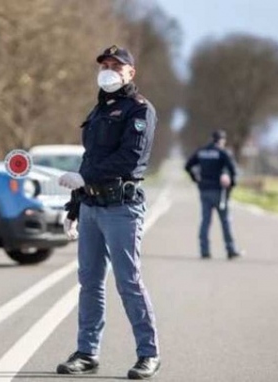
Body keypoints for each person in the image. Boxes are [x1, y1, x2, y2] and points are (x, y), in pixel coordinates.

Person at [57, 45, 161, 380]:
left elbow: (129, 160)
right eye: (104, 64)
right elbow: (89, 159)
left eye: (117, 65)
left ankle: (149, 354)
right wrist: (73, 207)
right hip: (91, 207)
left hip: (121, 208)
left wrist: (84, 178)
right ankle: (87, 352)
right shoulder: (99, 110)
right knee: (89, 282)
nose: (109, 69)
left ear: (131, 73)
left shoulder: (140, 111)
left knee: (128, 281)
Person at [184, 130, 242, 259]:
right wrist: (230, 188)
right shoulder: (222, 153)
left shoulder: (201, 151)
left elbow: (188, 166)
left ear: (211, 138)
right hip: (219, 191)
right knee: (225, 221)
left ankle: (204, 250)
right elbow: (233, 171)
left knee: (205, 221)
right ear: (222, 140)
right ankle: (230, 249)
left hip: (204, 190)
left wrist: (195, 178)